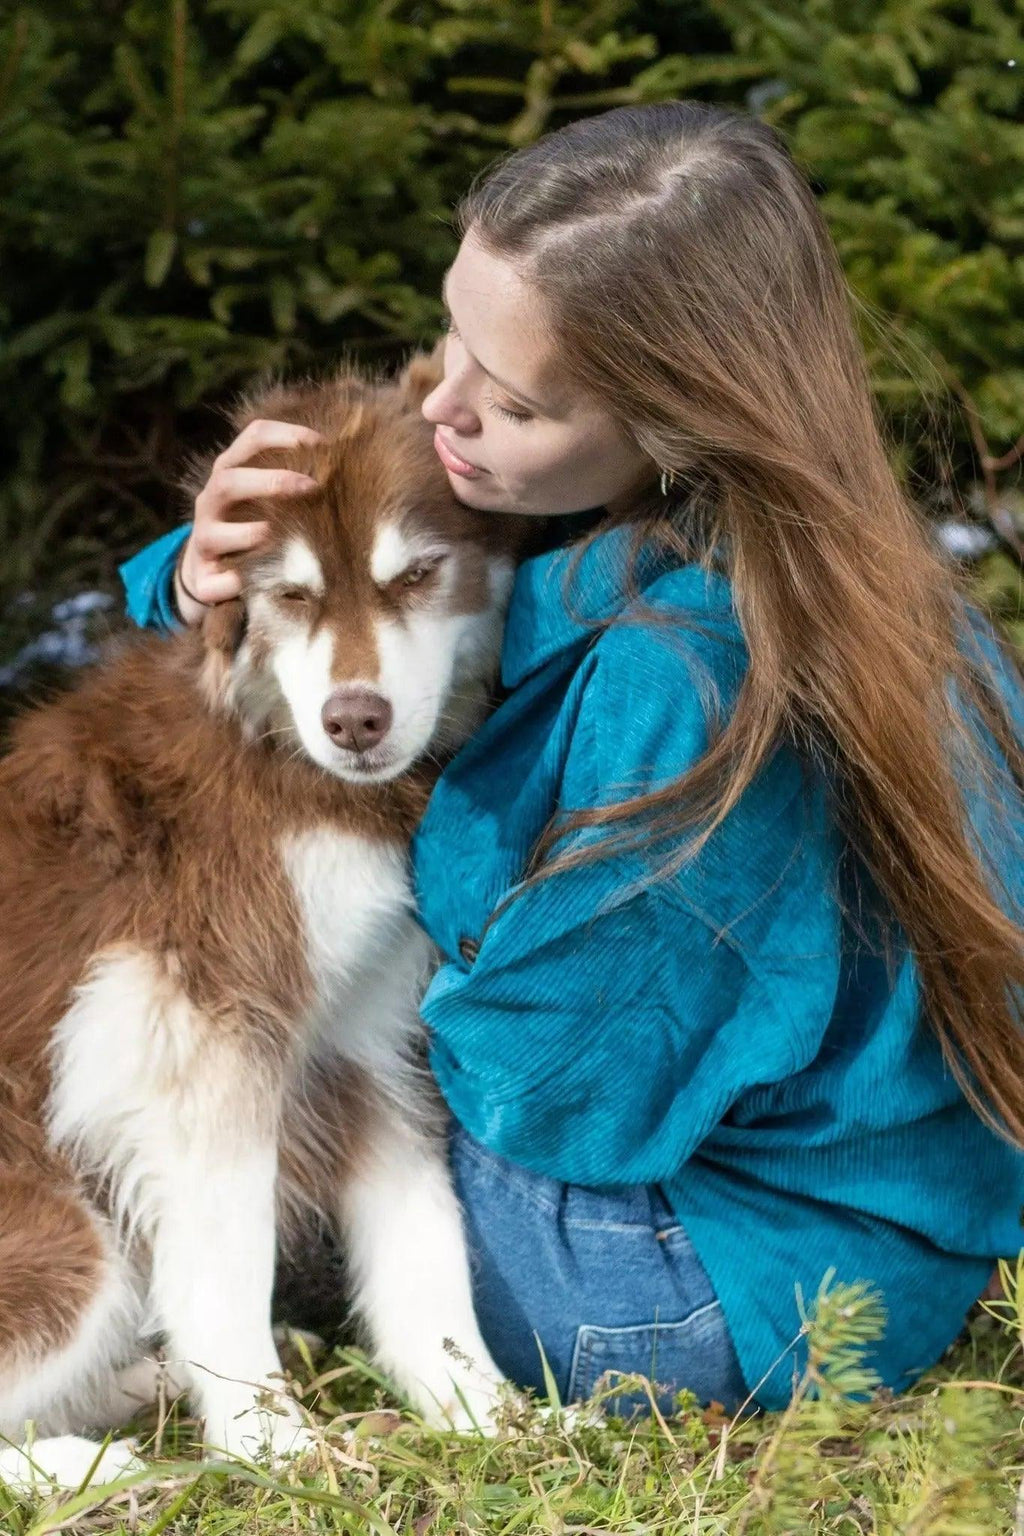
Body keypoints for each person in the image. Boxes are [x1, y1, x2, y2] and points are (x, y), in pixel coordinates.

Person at [120, 100, 1024, 1418]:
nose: (442, 409)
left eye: (518, 398)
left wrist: (324, 999)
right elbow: (347, 591)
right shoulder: (768, 545)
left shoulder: (693, 680)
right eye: (453, 336)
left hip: (692, 1281)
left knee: (223, 1082)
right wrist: (200, 573)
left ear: (679, 414)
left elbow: (560, 1097)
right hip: (826, 1234)